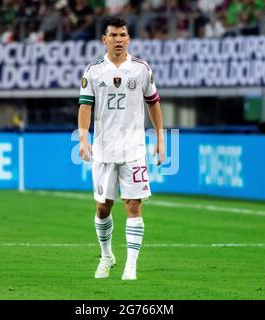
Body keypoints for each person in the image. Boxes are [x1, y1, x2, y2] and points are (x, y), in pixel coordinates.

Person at [77, 16, 165, 280]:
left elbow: (153, 102)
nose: (118, 40)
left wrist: (160, 137)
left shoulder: (141, 69)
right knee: (103, 207)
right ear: (104, 39)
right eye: (113, 35)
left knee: (133, 205)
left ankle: (131, 264)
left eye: (123, 35)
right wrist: (83, 138)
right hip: (103, 148)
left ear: (128, 38)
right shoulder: (93, 71)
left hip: (134, 148)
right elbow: (85, 106)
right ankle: (106, 255)